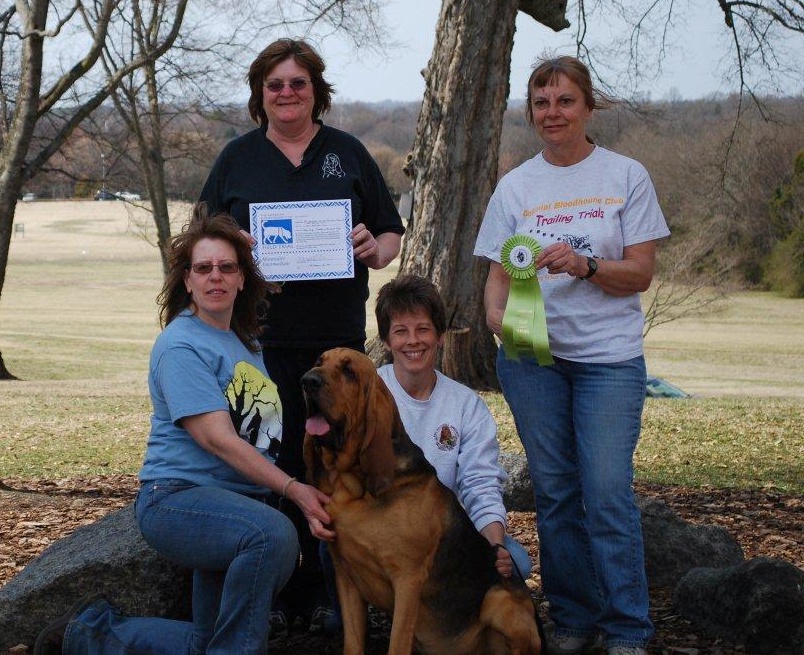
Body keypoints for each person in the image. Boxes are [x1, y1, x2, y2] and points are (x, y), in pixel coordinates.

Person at [34, 206, 333, 655]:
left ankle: (86, 634)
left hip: (233, 507)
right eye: (203, 268)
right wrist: (294, 490)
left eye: (227, 267)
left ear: (241, 279)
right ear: (187, 280)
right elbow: (216, 438)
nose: (216, 276)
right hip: (178, 500)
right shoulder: (181, 344)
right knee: (274, 535)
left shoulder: (244, 343)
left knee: (208, 641)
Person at [197, 38, 404, 633]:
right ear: (261, 97)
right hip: (256, 344)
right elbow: (203, 239)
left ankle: (328, 594)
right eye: (274, 85)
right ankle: (278, 590)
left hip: (334, 347)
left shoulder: (348, 153)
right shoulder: (237, 158)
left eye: (298, 83)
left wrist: (374, 247)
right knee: (272, 460)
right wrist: (238, 245)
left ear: (316, 91)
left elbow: (390, 236)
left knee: (333, 463)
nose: (286, 93)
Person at [473, 56, 670, 655]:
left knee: (607, 491)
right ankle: (575, 619)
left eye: (564, 101)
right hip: (534, 364)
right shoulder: (516, 187)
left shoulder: (626, 175)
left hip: (607, 361)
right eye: (540, 102)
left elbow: (639, 274)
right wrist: (499, 321)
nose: (551, 113)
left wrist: (586, 265)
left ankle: (627, 628)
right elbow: (497, 281)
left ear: (588, 106)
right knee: (556, 493)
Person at [374, 274, 531, 580]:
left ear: (441, 336)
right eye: (401, 331)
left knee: (517, 563)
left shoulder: (466, 404)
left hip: (444, 534)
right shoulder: (371, 392)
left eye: (423, 329)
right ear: (386, 341)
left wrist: (495, 546)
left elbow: (480, 483)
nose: (413, 341)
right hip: (380, 530)